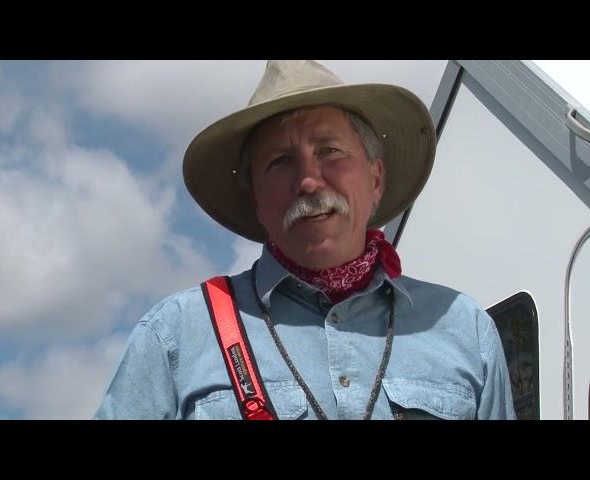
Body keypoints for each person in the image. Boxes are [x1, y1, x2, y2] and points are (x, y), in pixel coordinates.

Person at [95, 60, 516, 420]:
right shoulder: (176, 334)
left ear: (375, 178)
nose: (309, 180)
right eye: (280, 161)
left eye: (330, 151)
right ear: (257, 200)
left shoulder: (464, 329)